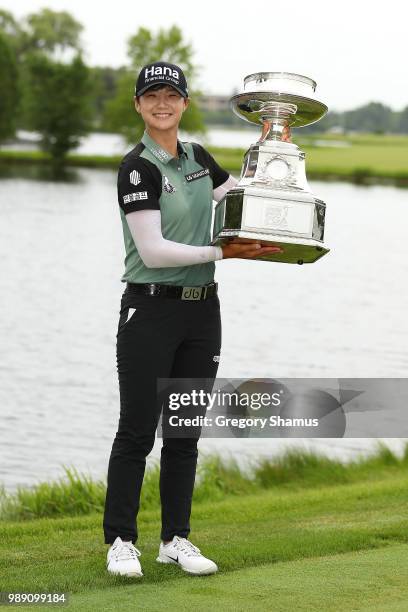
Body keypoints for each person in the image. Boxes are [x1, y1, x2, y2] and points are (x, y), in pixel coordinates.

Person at [102, 61, 287, 578]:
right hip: (148, 310)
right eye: (152, 95)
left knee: (183, 432)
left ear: (185, 103)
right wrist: (227, 253)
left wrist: (280, 178)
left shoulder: (200, 158)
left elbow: (241, 201)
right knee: (137, 430)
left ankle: (174, 539)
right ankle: (120, 541)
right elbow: (154, 250)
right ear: (139, 105)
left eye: (172, 95)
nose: (163, 103)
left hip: (202, 312)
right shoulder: (135, 168)